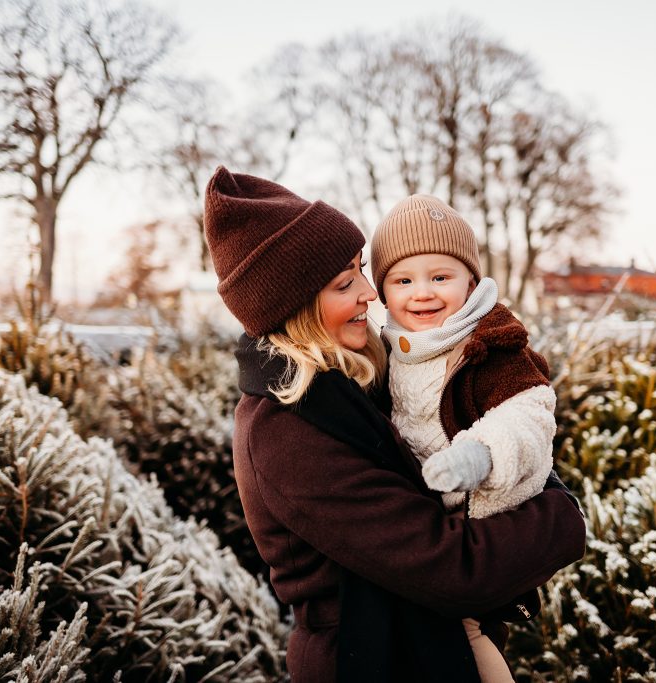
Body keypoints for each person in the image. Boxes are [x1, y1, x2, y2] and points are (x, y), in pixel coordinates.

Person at [204, 166, 586, 683]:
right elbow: (453, 567)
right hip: (371, 662)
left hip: (423, 648)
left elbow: (499, 416)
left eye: (362, 269)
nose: (370, 291)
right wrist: (563, 518)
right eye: (346, 283)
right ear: (297, 307)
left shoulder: (361, 376)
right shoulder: (286, 433)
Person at [370, 194, 559, 683]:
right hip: (435, 519)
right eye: (403, 280)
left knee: (467, 630)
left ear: (471, 282)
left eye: (440, 277)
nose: (422, 293)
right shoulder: (392, 350)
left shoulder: (489, 344)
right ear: (383, 292)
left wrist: (479, 455)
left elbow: (529, 414)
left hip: (487, 510)